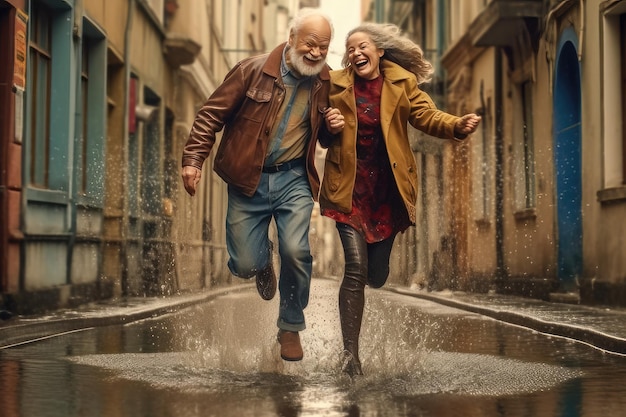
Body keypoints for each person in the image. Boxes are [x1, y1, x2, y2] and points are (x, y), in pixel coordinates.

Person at [181, 8, 345, 362]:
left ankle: (290, 326)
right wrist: (193, 159)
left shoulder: (329, 82)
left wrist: (333, 126)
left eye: (324, 46)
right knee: (242, 263)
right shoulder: (252, 70)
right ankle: (260, 262)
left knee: (296, 250)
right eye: (310, 44)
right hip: (248, 179)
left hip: (294, 179)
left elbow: (329, 140)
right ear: (292, 39)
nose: (316, 53)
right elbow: (211, 114)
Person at [318, 22, 481, 377]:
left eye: (363, 47)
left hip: (388, 192)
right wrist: (327, 128)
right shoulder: (335, 85)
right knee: (356, 269)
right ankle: (351, 357)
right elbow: (318, 130)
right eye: (351, 49)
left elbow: (426, 116)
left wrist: (455, 125)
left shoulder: (402, 83)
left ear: (379, 51)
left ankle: (378, 272)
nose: (356, 53)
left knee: (375, 275)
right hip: (348, 188)